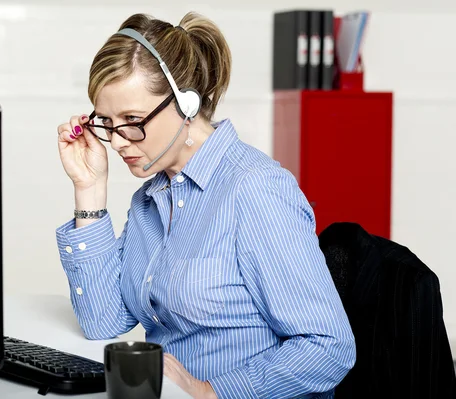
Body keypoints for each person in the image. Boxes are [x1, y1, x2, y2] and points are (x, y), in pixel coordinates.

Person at [55, 11, 356, 399]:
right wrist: (89, 189)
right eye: (107, 121)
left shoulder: (255, 190)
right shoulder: (150, 198)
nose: (116, 141)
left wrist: (211, 391)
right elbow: (102, 321)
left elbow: (329, 347)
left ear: (187, 103)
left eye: (132, 119)